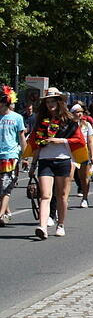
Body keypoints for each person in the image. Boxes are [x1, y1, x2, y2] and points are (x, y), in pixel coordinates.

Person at [24, 88, 87, 239]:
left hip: (63, 160)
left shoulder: (70, 121)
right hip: (45, 161)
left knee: (62, 195)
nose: (50, 104)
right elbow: (36, 143)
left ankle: (61, 224)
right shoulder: (40, 121)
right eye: (48, 102)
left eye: (53, 101)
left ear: (59, 102)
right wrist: (32, 164)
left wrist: (61, 140)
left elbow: (79, 140)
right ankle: (43, 226)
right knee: (45, 195)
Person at [0, 86, 25, 224]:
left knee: (6, 186)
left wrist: (25, 156)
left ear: (4, 102)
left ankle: (0, 214)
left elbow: (21, 138)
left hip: (10, 156)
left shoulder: (17, 118)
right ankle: (6, 211)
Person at [70, 103, 93, 209]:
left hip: (83, 153)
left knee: (84, 178)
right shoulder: (69, 125)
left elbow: (90, 141)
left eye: (81, 112)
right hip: (71, 153)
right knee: (68, 177)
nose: (79, 114)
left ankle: (85, 198)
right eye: (77, 112)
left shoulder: (87, 125)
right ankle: (63, 199)